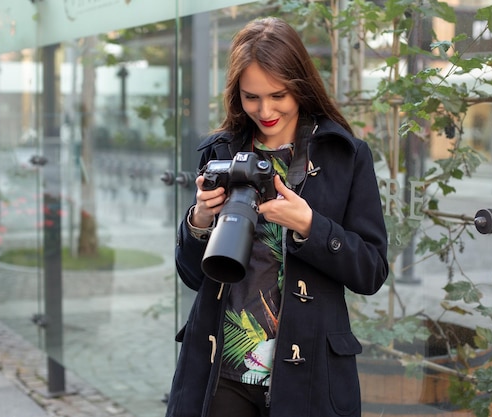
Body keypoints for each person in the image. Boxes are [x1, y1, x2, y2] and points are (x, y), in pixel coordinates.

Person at [166, 17, 388, 417]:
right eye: (251, 97)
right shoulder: (220, 152)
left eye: (278, 95)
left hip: (311, 377)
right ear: (237, 94)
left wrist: (310, 226)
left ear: (300, 86)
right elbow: (193, 277)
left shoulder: (345, 155)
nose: (265, 110)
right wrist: (199, 220)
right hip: (222, 369)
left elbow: (371, 271)